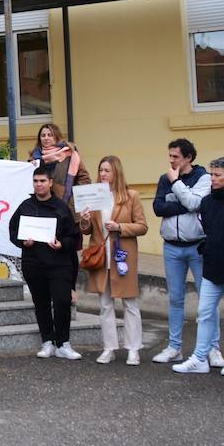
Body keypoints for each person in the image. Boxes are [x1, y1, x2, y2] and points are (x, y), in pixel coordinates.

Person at [173, 157, 224, 376]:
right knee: (204, 313)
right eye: (212, 175)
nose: (212, 179)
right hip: (211, 266)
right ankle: (199, 357)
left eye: (217, 175)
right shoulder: (207, 202)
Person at [79, 155, 148, 365]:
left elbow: (142, 226)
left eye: (107, 170)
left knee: (130, 304)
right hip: (101, 257)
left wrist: (120, 228)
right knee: (105, 305)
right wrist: (84, 220)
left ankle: (133, 349)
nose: (102, 174)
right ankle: (109, 348)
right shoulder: (94, 196)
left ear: (116, 172)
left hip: (122, 257)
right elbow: (87, 230)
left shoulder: (130, 196)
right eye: (100, 170)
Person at [9, 167, 82, 360]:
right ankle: (47, 341)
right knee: (40, 302)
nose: (39, 184)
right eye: (36, 181)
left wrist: (61, 244)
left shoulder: (61, 207)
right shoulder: (25, 206)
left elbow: (73, 237)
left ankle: (63, 343)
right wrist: (22, 242)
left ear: (50, 183)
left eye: (43, 181)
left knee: (62, 302)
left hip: (59, 264)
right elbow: (13, 231)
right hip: (34, 263)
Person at [151, 137, 213, 365]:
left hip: (197, 245)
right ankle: (174, 347)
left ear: (189, 157)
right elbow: (158, 208)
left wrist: (177, 185)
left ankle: (212, 348)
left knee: (206, 300)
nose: (171, 160)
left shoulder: (204, 177)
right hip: (172, 247)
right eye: (170, 156)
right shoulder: (163, 178)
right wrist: (183, 203)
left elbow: (196, 204)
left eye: (176, 156)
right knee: (175, 299)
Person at [29, 123, 89, 205]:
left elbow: (84, 178)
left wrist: (72, 197)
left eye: (50, 135)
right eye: (43, 135)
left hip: (65, 204)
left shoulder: (70, 154)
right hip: (40, 204)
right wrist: (30, 166)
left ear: (57, 136)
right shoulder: (35, 157)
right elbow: (28, 181)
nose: (46, 138)